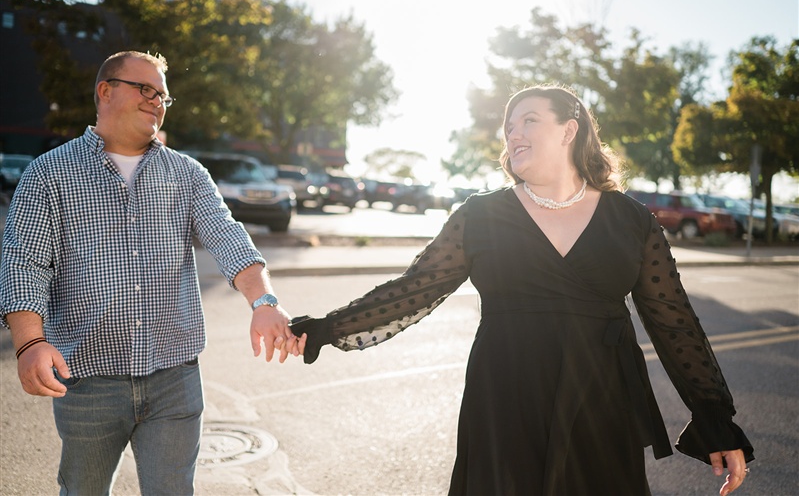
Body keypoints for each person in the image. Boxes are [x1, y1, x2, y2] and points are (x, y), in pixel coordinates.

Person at [289, 85, 754, 495]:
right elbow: (415, 289)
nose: (514, 133)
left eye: (529, 120)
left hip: (601, 399)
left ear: (569, 131)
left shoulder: (632, 221)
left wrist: (716, 419)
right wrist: (327, 327)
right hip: (505, 396)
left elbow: (674, 322)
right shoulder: (480, 216)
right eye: (509, 127)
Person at [0, 50, 302, 495]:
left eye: (162, 95)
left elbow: (227, 237)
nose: (156, 101)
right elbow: (24, 263)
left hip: (174, 378)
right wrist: (29, 341)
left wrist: (264, 301)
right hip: (88, 380)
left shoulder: (188, 174)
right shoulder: (49, 174)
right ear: (105, 91)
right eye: (145, 89)